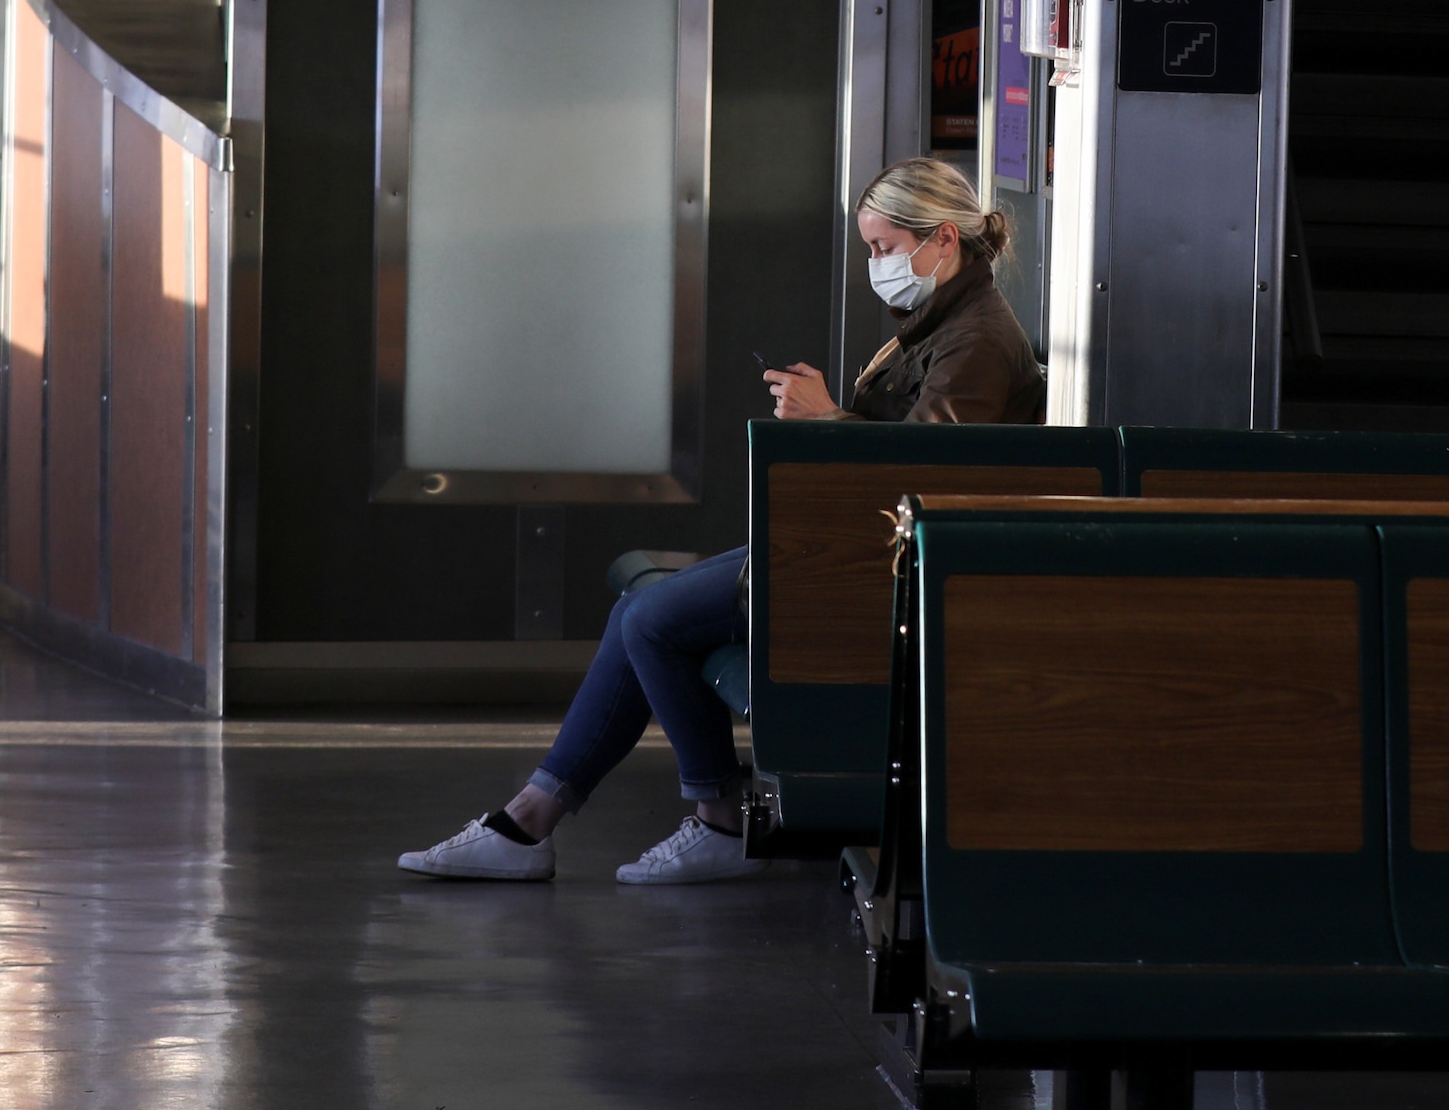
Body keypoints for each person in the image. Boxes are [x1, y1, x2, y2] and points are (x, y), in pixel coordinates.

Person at [397, 157, 1043, 886]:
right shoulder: (938, 322)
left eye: (885, 248)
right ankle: (529, 820)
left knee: (650, 622)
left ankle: (714, 819)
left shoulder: (975, 342)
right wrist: (830, 418)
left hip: (867, 570)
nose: (878, 265)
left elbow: (927, 484)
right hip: (841, 547)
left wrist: (828, 419)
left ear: (944, 240)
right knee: (637, 610)